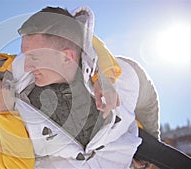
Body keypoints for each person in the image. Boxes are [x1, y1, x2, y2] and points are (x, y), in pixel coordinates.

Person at [14, 6, 191, 169]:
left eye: (34, 58)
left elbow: (146, 98)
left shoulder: (122, 79)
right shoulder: (18, 91)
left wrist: (150, 140)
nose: (27, 66)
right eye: (25, 56)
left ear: (66, 57)